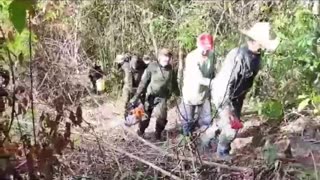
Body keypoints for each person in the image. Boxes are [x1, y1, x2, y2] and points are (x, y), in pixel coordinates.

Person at [202, 22, 280, 160]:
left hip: (237, 96)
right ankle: (222, 153)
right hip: (223, 94)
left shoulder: (256, 57)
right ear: (255, 41)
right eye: (263, 43)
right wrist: (227, 106)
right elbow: (225, 82)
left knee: (225, 122)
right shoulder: (237, 56)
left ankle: (206, 139)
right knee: (232, 128)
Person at [129, 48, 173, 140]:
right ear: (160, 57)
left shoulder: (170, 68)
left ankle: (158, 134)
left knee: (162, 118)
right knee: (145, 118)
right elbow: (143, 83)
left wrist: (175, 93)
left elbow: (172, 83)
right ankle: (141, 131)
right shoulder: (152, 66)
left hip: (162, 97)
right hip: (149, 96)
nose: (167, 59)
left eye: (168, 57)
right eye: (165, 56)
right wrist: (136, 97)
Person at [178, 33, 216, 137]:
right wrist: (216, 83)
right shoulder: (191, 57)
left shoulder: (212, 55)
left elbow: (212, 72)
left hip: (204, 94)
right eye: (203, 48)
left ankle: (205, 143)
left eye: (208, 49)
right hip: (190, 94)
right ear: (198, 45)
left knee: (206, 121)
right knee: (187, 122)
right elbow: (198, 78)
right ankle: (187, 143)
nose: (205, 51)